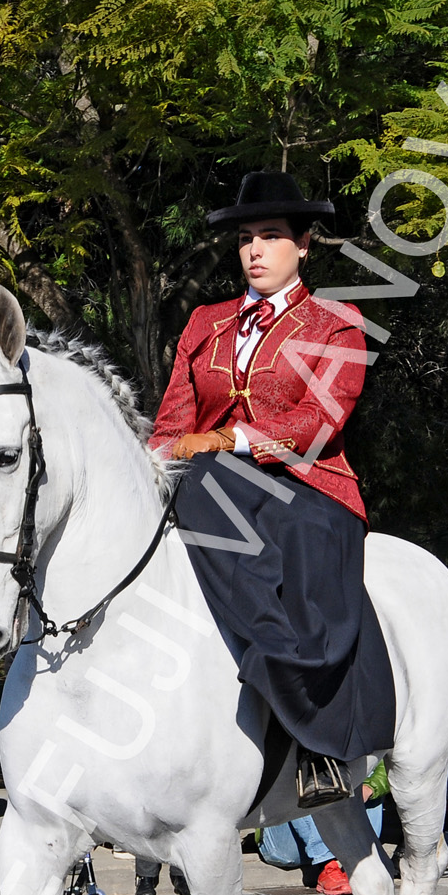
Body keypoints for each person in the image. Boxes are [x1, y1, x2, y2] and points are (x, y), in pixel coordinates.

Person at [148, 171, 395, 804]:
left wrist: (230, 441)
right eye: (246, 239)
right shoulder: (205, 322)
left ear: (304, 245)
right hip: (211, 484)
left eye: (272, 236)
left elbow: (318, 421)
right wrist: (160, 453)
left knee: (212, 483)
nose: (255, 250)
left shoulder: (339, 322)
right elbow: (172, 422)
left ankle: (309, 717)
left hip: (309, 486)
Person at [258, 760, 389, 894]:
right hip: (286, 843)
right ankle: (327, 864)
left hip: (339, 827)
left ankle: (362, 859)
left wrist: (371, 788)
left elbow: (392, 763)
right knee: (305, 773)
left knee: (366, 771)